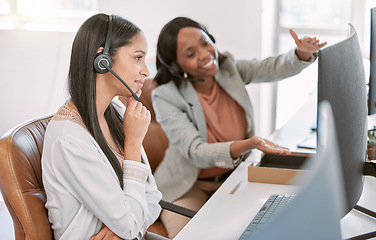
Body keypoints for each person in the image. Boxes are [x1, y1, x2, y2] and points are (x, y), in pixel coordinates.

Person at [151, 16, 327, 238]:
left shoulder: (228, 68)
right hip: (188, 185)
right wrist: (249, 144)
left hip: (234, 178)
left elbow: (269, 68)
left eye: (205, 43)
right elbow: (195, 151)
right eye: (191, 54)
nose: (205, 54)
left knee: (260, 227)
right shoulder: (165, 95)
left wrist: (301, 54)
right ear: (176, 66)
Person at [41, 13, 167, 240]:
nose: (146, 71)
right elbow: (129, 226)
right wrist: (133, 142)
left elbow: (153, 197)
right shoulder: (70, 139)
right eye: (137, 58)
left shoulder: (117, 111)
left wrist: (127, 230)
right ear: (103, 61)